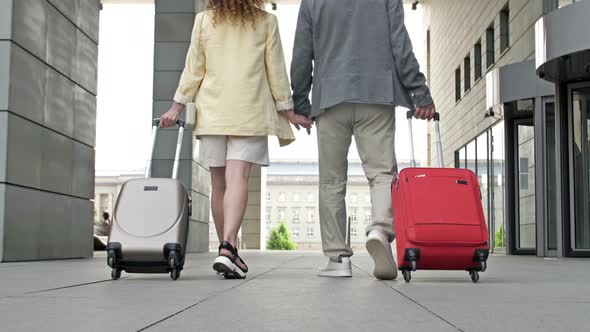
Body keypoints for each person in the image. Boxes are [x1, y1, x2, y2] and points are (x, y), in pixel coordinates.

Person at [160, 0, 312, 279]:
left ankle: (226, 250)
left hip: (213, 112)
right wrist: (289, 111)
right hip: (250, 110)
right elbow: (276, 71)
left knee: (219, 184)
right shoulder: (266, 22)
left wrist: (176, 107)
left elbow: (194, 67)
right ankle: (228, 248)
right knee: (238, 178)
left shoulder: (205, 20)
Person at [291, 0, 436, 280]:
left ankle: (337, 258)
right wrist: (419, 92)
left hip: (330, 97)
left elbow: (302, 53)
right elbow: (400, 44)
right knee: (382, 173)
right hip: (376, 94)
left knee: (332, 180)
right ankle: (380, 230)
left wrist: (301, 102)